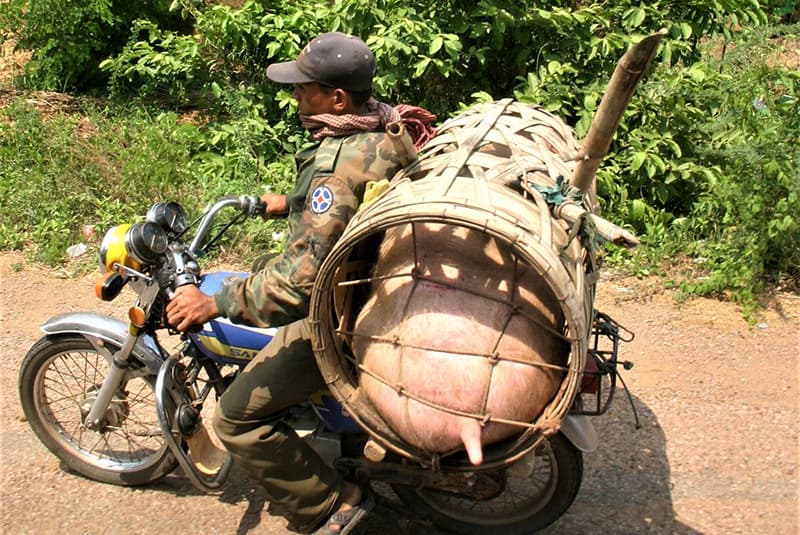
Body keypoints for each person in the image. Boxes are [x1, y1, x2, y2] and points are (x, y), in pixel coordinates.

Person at [166, 32, 435, 534]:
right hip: (379, 290)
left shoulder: (334, 169)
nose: (295, 97)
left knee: (234, 420)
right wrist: (288, 202)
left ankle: (331, 504)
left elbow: (299, 286)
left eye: (303, 88)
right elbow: (360, 195)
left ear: (336, 98)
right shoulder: (383, 126)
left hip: (340, 320)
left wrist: (215, 301)